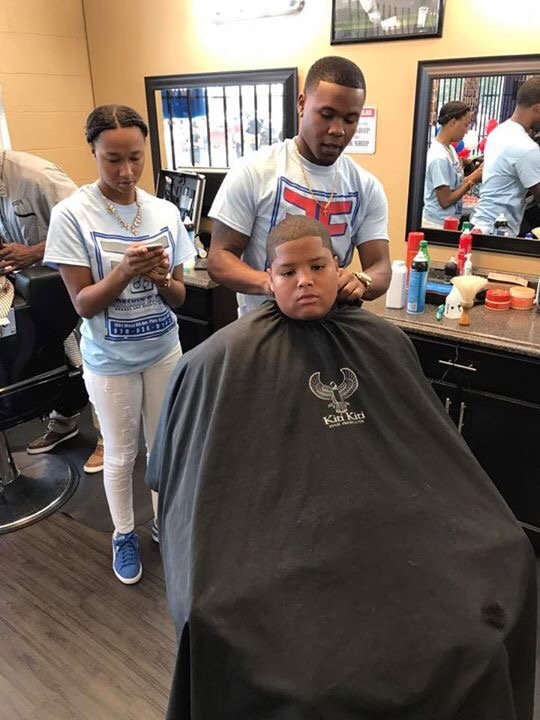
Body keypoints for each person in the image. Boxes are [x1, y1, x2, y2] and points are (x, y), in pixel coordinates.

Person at [148, 215, 536, 720]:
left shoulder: (383, 341)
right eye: (288, 272)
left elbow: (428, 449)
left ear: (341, 270)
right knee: (245, 631)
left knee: (505, 559)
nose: (305, 281)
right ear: (268, 279)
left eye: (318, 267)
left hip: (394, 528)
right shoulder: (219, 360)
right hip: (282, 539)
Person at [44, 104, 195, 584]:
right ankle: (124, 533)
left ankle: (164, 524)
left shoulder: (164, 212)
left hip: (163, 351)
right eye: (113, 159)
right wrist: (125, 271)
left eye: (135, 157)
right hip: (110, 359)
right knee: (121, 453)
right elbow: (84, 304)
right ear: (93, 152)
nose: (127, 171)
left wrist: (161, 277)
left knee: (163, 448)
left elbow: (179, 296)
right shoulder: (72, 214)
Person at [208, 55, 391, 316]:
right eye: (327, 115)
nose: (338, 130)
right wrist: (273, 282)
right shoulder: (255, 171)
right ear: (302, 104)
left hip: (332, 327)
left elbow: (381, 267)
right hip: (265, 328)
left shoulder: (367, 187)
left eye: (350, 119)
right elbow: (219, 258)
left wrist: (362, 281)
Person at [0, 149, 103, 470]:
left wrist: (32, 252)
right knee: (59, 356)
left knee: (91, 360)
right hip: (38, 287)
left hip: (78, 282)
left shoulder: (38, 176)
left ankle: (107, 439)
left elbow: (90, 227)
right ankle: (64, 422)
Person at [471, 76, 540, 236]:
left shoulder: (499, 132)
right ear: (538, 108)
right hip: (497, 231)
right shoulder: (526, 147)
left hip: (480, 222)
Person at [422, 101, 483, 229]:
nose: (467, 131)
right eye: (465, 125)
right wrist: (471, 181)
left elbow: (455, 186)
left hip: (449, 222)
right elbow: (445, 200)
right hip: (436, 224)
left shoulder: (450, 150)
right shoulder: (439, 157)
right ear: (453, 122)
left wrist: (475, 175)